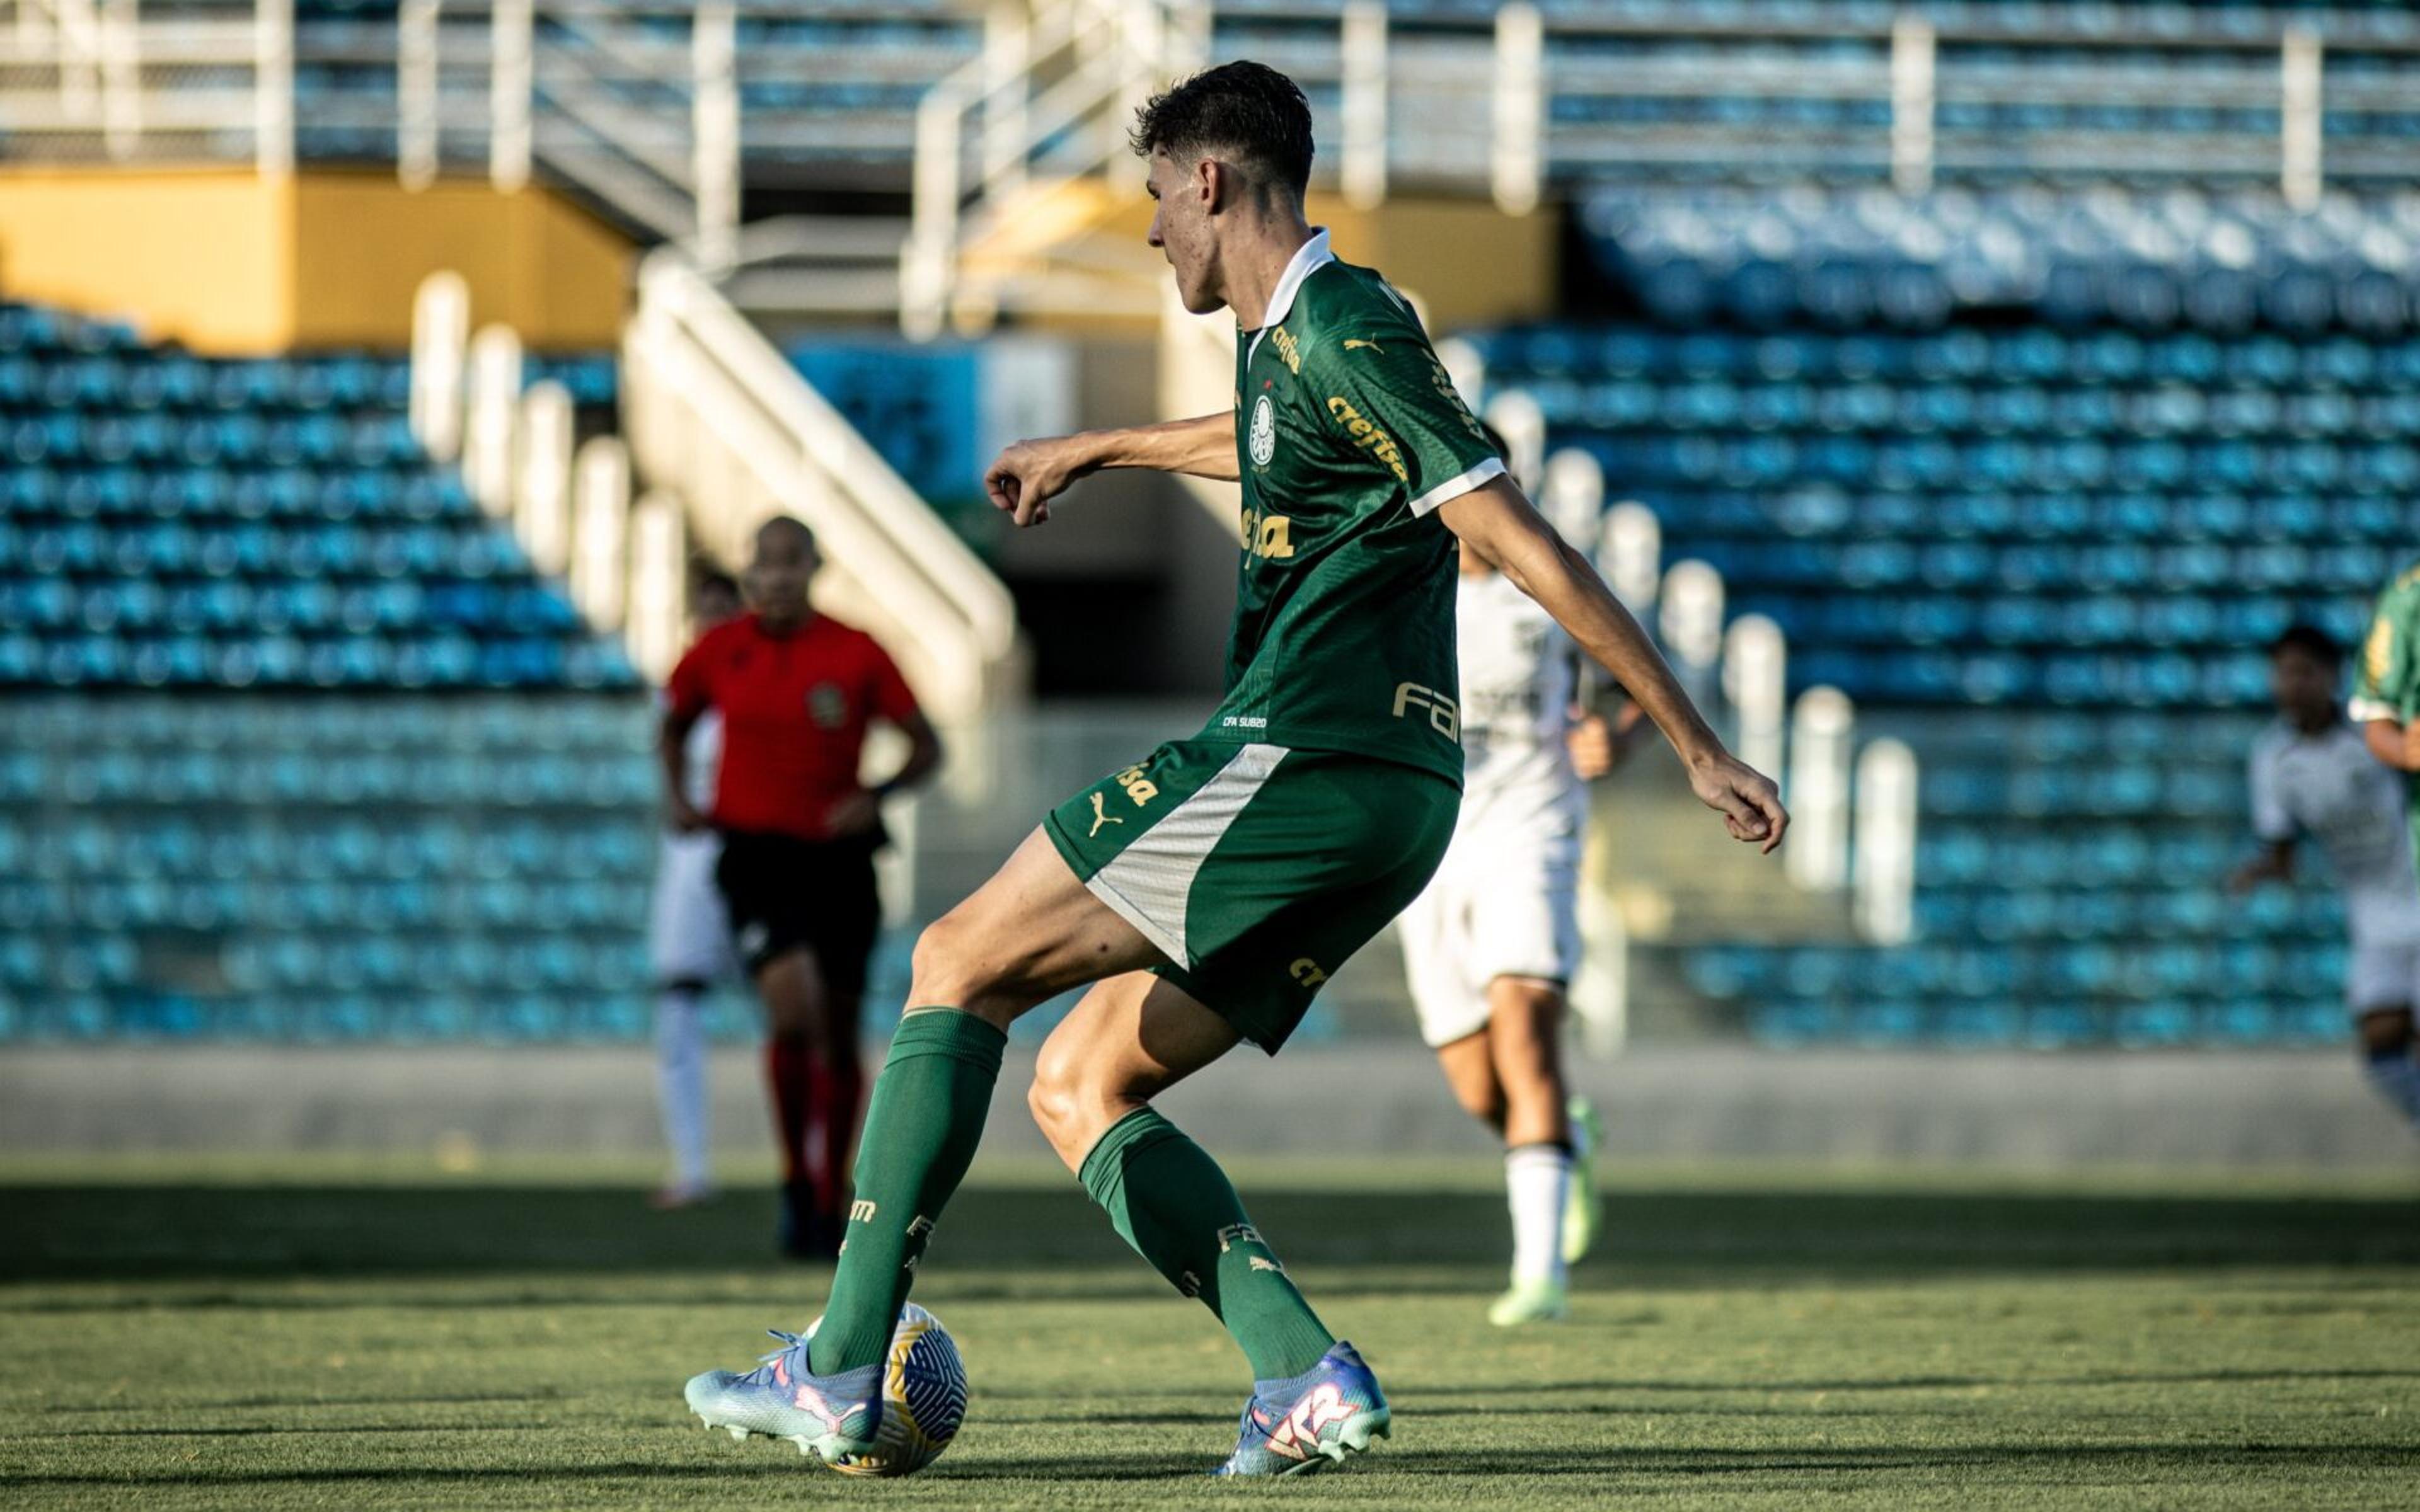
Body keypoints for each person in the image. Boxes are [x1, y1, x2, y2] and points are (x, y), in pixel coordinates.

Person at [681, 62, 1784, 1478]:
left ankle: (836, 1366)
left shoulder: (1346, 320)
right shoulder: (1289, 346)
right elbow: (1277, 448)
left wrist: (1690, 743)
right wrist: (1107, 445)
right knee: (1080, 1085)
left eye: (1155, 199)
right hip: (1384, 798)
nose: (1151, 234)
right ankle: (1299, 1375)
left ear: (1210, 181)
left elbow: (1515, 532)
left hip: (1306, 751)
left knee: (956, 960)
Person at [660, 517, 943, 1257]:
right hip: (755, 858)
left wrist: (875, 794)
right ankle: (794, 1180)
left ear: (814, 568)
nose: (778, 575)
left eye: (793, 563)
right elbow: (671, 723)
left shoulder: (855, 651)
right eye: (766, 562)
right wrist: (676, 797)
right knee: (795, 1011)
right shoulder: (720, 651)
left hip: (840, 859)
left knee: (840, 1028)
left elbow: (926, 745)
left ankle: (830, 1190)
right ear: (750, 570)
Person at [1400, 508, 1639, 1326]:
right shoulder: (1404, 593)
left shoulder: (1552, 589)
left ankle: (1541, 1279)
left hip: (1533, 836)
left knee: (1526, 1039)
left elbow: (1634, 677)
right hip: (1430, 849)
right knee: (1476, 1083)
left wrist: (1615, 735)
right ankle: (1564, 1142)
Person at [2233, 624, 2420, 1132]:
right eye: (2281, 673)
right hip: (2374, 920)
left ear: (2331, 676)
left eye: (2302, 672)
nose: (2290, 684)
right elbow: (2282, 848)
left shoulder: (2372, 735)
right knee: (2382, 1047)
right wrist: (2262, 871)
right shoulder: (2271, 758)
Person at [647, 567, 745, 1209]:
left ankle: (819, 1167)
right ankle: (692, 1164)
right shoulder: (681, 687)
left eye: (723, 612)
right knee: (677, 1000)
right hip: (692, 859)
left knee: (798, 1011)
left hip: (761, 852)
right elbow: (667, 749)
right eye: (703, 612)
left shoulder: (760, 679)